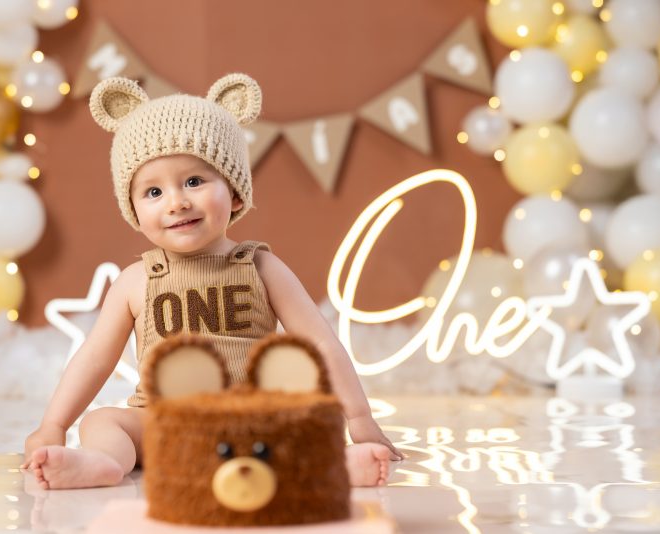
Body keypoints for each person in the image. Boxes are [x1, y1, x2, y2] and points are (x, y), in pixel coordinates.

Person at [22, 73, 402, 491]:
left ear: (236, 193)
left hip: (252, 424)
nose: (177, 201)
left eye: (194, 181)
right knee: (103, 420)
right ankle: (104, 464)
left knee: (304, 419)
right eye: (152, 192)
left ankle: (337, 465)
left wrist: (359, 418)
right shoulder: (137, 281)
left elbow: (322, 343)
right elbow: (95, 359)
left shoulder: (259, 266)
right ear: (131, 208)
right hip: (164, 424)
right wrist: (53, 424)